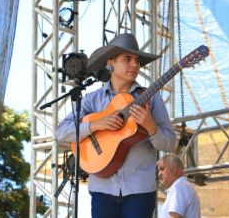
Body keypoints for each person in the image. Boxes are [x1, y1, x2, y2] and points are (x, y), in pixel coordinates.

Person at [56, 33, 177, 218]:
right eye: (127, 59)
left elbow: (169, 143)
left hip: (140, 191)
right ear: (110, 62)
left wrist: (151, 126)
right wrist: (95, 125)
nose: (135, 64)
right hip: (102, 192)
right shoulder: (91, 99)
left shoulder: (152, 98)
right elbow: (61, 133)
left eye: (137, 60)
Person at [157, 153, 201, 218]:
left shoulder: (179, 187)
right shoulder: (182, 186)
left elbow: (175, 216)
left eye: (162, 169)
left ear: (174, 168)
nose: (159, 174)